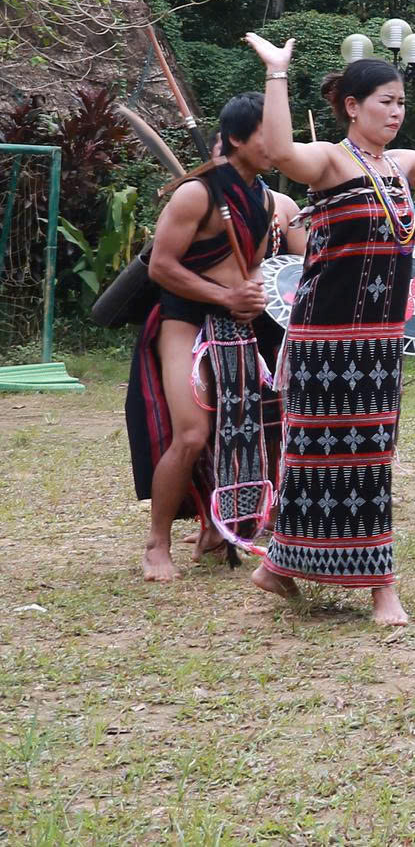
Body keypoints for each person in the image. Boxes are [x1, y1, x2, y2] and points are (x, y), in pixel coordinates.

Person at [242, 34, 415, 627]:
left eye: (401, 104)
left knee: (371, 456)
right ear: (353, 106)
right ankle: (378, 586)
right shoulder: (332, 160)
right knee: (315, 454)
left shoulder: (403, 166)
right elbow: (281, 150)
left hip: (380, 342)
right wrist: (277, 75)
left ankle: (279, 568)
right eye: (385, 101)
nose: (395, 112)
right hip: (324, 339)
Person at [129, 92, 304, 581]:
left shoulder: (265, 198)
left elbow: (250, 268)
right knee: (191, 434)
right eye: (266, 135)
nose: (277, 144)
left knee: (239, 433)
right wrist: (224, 296)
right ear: (234, 139)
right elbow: (162, 267)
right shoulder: (196, 193)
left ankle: (218, 525)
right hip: (184, 321)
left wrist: (249, 293)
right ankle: (156, 543)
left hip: (234, 327)